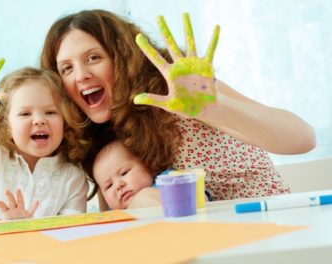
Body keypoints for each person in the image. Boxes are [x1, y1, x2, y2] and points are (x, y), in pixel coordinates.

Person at [40, 10, 316, 208]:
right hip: (200, 247)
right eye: (67, 68)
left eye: (93, 58)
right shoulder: (103, 142)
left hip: (269, 228)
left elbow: (303, 138)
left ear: (122, 60)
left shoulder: (178, 89)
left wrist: (213, 109)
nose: (81, 75)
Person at [0, 50, 88, 220]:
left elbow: (72, 233)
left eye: (50, 112)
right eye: (25, 114)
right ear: (6, 125)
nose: (39, 120)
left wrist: (25, 227)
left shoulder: (72, 177)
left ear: (65, 121)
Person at [93, 140, 161, 210]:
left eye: (124, 173)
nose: (118, 185)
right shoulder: (112, 214)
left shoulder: (166, 184)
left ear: (148, 165)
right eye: (109, 186)